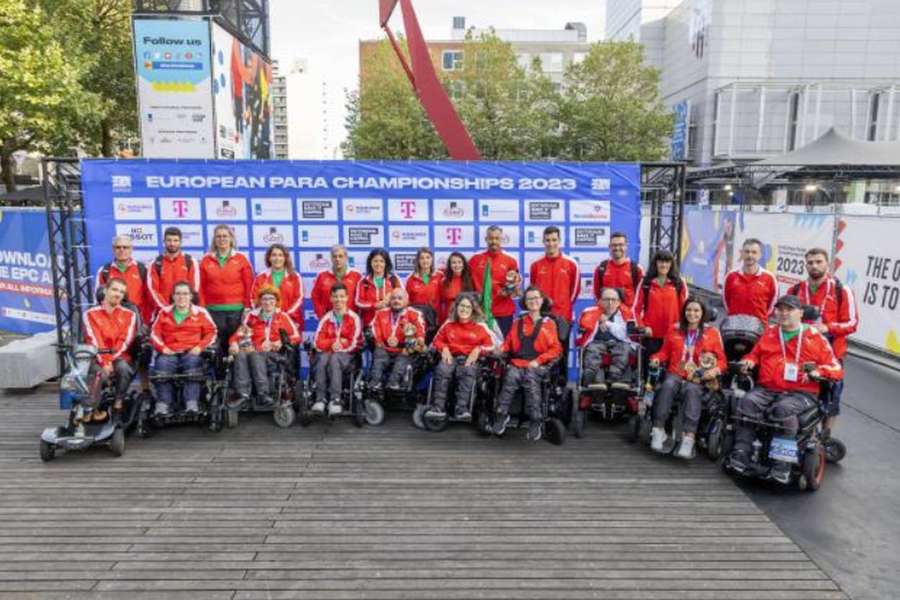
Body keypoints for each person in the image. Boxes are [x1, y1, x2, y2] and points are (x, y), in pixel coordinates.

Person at [730, 295, 843, 483]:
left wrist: (819, 370)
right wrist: (748, 361)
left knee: (783, 410)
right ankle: (741, 454)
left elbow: (836, 369)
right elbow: (754, 354)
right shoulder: (770, 332)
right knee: (747, 402)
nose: (783, 313)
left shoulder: (815, 337)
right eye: (780, 309)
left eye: (788, 309)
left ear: (800, 313)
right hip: (768, 388)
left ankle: (781, 464)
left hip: (802, 392)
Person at [788, 248, 858, 434]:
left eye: (819, 262)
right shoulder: (796, 290)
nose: (814, 266)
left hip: (831, 356)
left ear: (828, 264)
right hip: (799, 354)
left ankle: (825, 439)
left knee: (831, 399)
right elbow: (783, 318)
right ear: (806, 265)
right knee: (794, 392)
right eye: (810, 262)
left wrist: (828, 327)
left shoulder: (841, 290)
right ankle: (795, 432)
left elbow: (852, 323)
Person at [648, 296, 726, 458]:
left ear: (703, 313)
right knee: (668, 385)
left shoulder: (712, 333)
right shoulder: (674, 329)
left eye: (696, 310)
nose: (692, 313)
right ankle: (658, 430)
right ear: (684, 312)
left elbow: (722, 360)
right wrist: (656, 358)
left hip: (697, 376)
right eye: (689, 310)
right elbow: (664, 352)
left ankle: (688, 438)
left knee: (692, 390)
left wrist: (715, 370)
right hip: (676, 372)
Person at [492, 287, 563, 441]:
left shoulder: (549, 323)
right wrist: (499, 350)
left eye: (536, 298)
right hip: (518, 362)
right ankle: (502, 415)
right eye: (530, 299)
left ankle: (535, 420)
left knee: (530, 378)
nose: (533, 301)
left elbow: (556, 348)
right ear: (525, 302)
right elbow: (508, 344)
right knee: (510, 377)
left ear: (542, 300)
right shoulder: (518, 322)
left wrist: (538, 361)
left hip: (538, 364)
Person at [149, 281, 218, 416]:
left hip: (192, 351)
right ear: (173, 296)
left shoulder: (200, 312)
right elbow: (154, 333)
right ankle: (164, 403)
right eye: (178, 294)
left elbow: (212, 332)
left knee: (193, 364)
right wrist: (163, 348)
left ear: (191, 296)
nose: (181, 297)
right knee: (162, 364)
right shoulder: (164, 312)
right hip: (170, 351)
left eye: (185, 293)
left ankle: (191, 402)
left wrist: (200, 347)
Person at [426, 293, 497, 420]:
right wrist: (444, 347)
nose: (464, 309)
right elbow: (436, 341)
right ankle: (438, 408)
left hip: (469, 359)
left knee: (468, 370)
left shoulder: (480, 326)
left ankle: (461, 409)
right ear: (456, 307)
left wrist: (478, 349)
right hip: (451, 357)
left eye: (468, 307)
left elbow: (492, 345)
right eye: (462, 306)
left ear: (473, 309)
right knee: (442, 369)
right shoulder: (449, 323)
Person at [228, 286, 301, 409]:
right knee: (240, 355)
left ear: (276, 300)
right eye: (264, 299)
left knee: (255, 354)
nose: (267, 302)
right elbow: (237, 335)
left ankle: (263, 393)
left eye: (271, 298)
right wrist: (234, 343)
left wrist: (280, 342)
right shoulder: (251, 316)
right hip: (255, 351)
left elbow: (296, 336)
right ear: (260, 301)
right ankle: (243, 395)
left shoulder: (283, 316)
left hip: (274, 354)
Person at [82, 279, 137, 420]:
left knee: (123, 368)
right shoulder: (90, 314)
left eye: (121, 292)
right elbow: (94, 340)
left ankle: (118, 403)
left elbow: (125, 340)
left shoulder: (129, 314)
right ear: (105, 290)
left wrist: (110, 361)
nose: (118, 294)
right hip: (97, 357)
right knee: (99, 376)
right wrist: (104, 362)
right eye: (114, 289)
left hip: (119, 356)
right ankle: (91, 410)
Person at [200, 225, 254, 357]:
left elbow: (249, 286)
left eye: (225, 236)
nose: (222, 239)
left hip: (237, 310)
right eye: (218, 236)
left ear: (231, 238)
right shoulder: (206, 260)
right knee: (217, 345)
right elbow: (201, 286)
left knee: (236, 344)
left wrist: (247, 307)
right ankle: (219, 376)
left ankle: (237, 376)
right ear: (214, 239)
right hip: (213, 311)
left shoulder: (241, 258)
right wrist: (202, 308)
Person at [311, 283, 363, 416]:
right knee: (321, 358)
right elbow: (317, 342)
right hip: (328, 354)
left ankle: (335, 400)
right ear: (330, 298)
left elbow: (355, 342)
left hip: (348, 357)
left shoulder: (354, 318)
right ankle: (320, 399)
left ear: (347, 298)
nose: (338, 300)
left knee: (334, 358)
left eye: (341, 296)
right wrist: (334, 342)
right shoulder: (326, 318)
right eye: (335, 297)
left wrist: (342, 346)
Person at [576, 287, 636, 390]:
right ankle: (590, 373)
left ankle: (614, 375)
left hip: (620, 343)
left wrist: (607, 323)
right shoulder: (591, 311)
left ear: (619, 302)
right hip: (598, 342)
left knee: (624, 349)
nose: (610, 303)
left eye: (614, 300)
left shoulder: (626, 314)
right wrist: (598, 318)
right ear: (600, 301)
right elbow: (584, 324)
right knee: (592, 349)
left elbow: (623, 334)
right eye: (606, 299)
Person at [368, 288, 426, 391]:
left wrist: (412, 345)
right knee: (379, 357)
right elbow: (373, 329)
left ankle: (392, 385)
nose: (396, 301)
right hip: (384, 348)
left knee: (402, 360)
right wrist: (379, 341)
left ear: (407, 301)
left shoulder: (415, 314)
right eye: (393, 298)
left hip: (403, 349)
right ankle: (374, 384)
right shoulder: (380, 313)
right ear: (389, 300)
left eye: (400, 298)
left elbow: (420, 334)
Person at [633, 250, 688, 356]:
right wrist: (643, 327)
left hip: (673, 335)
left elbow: (685, 309)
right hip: (651, 336)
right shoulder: (646, 282)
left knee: (671, 370)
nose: (664, 265)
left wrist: (681, 328)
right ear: (655, 263)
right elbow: (636, 309)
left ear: (671, 264)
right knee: (650, 369)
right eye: (661, 262)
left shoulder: (679, 283)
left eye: (667, 262)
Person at [470, 226, 521, 338]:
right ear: (486, 239)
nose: (494, 241)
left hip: (504, 313)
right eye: (491, 238)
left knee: (503, 349)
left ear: (502, 239)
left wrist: (511, 290)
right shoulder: (475, 259)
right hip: (482, 313)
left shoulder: (510, 260)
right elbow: (468, 286)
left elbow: (514, 288)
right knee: (482, 349)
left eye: (497, 238)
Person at [95, 235, 153, 325]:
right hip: (113, 322)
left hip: (138, 321)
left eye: (125, 247)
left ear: (131, 249)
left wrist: (146, 321)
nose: (122, 250)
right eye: (118, 247)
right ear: (113, 249)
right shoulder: (104, 271)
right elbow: (99, 299)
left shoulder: (143, 269)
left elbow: (150, 297)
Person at [529, 226, 580, 322]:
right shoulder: (535, 264)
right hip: (541, 315)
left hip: (563, 315)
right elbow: (533, 290)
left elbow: (574, 293)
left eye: (554, 240)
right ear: (543, 241)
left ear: (559, 241)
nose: (551, 244)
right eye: (547, 240)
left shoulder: (572, 264)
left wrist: (563, 305)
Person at [147, 227, 201, 317]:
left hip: (186, 312)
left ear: (181, 242)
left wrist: (184, 307)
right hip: (163, 313)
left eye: (175, 240)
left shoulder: (190, 261)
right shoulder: (155, 263)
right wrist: (166, 308)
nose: (172, 244)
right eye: (169, 240)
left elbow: (194, 288)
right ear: (164, 241)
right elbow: (152, 290)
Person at [722, 238, 777, 323]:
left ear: (760, 255)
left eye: (754, 252)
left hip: (759, 328)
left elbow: (771, 307)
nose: (750, 255)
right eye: (747, 252)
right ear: (742, 253)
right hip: (734, 326)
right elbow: (726, 302)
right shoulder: (731, 276)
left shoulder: (769, 278)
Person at [251, 243, 304, 325]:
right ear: (269, 258)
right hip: (265, 320)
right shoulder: (261, 277)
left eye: (280, 255)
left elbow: (299, 299)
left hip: (290, 320)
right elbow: (254, 298)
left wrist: (285, 315)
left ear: (285, 258)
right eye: (274, 255)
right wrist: (264, 314)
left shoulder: (295, 277)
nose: (277, 258)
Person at [592, 232, 644, 308]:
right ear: (609, 247)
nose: (617, 248)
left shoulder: (637, 269)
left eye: (621, 245)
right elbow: (596, 293)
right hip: (607, 314)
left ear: (626, 246)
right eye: (614, 245)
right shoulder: (601, 268)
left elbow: (642, 295)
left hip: (628, 315)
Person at [310, 244, 363, 319]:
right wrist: (321, 315)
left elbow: (361, 299)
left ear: (346, 258)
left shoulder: (357, 275)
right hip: (328, 320)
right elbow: (315, 297)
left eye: (340, 256)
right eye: (335, 256)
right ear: (331, 258)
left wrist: (356, 317)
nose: (337, 259)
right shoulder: (322, 275)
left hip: (351, 320)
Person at [355, 248, 401, 327]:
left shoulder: (394, 279)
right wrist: (374, 305)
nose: (378, 264)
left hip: (390, 324)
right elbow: (358, 302)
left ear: (386, 263)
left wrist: (391, 300)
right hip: (369, 324)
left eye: (381, 261)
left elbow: (404, 299)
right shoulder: (364, 281)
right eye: (375, 261)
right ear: (370, 263)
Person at [439, 251, 475, 323]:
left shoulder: (471, 279)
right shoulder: (444, 281)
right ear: (450, 265)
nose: (457, 265)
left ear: (463, 264)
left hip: (466, 317)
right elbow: (441, 302)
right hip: (449, 317)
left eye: (459, 262)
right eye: (454, 262)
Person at [405, 247, 443, 315]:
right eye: (422, 258)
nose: (425, 261)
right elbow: (407, 301)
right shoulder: (411, 279)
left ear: (432, 259)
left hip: (435, 318)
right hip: (417, 317)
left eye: (428, 257)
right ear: (418, 261)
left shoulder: (440, 276)